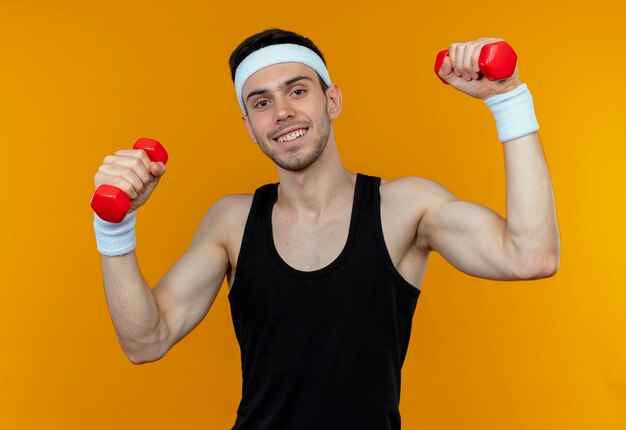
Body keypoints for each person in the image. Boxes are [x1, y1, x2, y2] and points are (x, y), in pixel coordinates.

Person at [93, 28, 560, 429]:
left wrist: (509, 100)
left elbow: (531, 256)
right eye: (261, 102)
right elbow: (146, 341)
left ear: (331, 100)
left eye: (297, 91)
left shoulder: (405, 208)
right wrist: (114, 227)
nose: (281, 112)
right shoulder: (231, 222)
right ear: (249, 126)